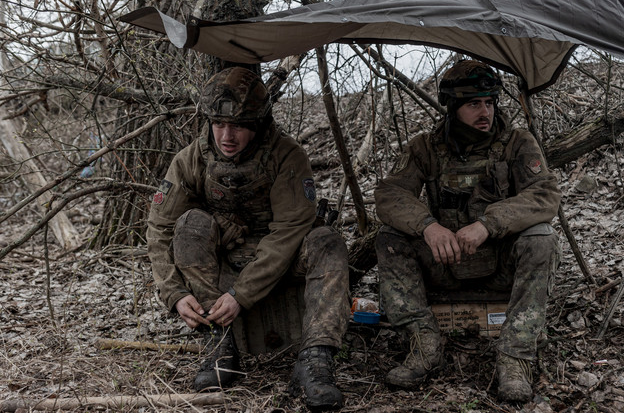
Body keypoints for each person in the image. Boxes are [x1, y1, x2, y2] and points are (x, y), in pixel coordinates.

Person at [146, 67, 349, 410]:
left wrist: (242, 293)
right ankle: (218, 344)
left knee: (327, 241)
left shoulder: (286, 156)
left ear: (258, 124)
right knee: (190, 224)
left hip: (281, 259)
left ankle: (316, 360)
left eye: (238, 126)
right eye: (219, 124)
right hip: (225, 262)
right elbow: (160, 228)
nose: (227, 135)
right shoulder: (191, 159)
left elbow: (289, 231)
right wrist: (175, 294)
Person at [374, 60, 561, 403]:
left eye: (489, 102)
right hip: (445, 264)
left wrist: (489, 224)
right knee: (389, 239)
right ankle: (424, 345)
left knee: (542, 238)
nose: (484, 111)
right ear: (453, 108)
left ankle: (516, 356)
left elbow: (545, 196)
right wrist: (428, 227)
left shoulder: (517, 143)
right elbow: (390, 195)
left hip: (501, 265)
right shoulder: (426, 148)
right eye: (474, 104)